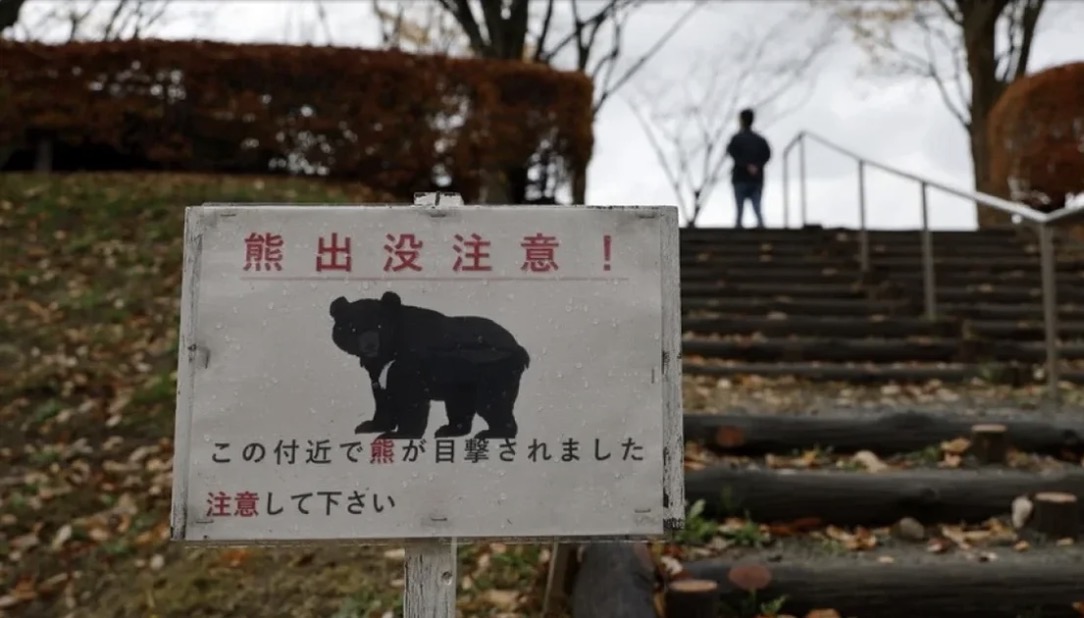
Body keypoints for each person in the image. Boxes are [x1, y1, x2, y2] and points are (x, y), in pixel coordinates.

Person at [725, 108, 772, 229]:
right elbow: (767, 155)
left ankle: (739, 227)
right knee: (757, 206)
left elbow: (731, 152)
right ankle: (760, 225)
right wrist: (756, 166)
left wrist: (745, 165)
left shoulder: (736, 139)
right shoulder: (760, 140)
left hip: (740, 177)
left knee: (740, 209)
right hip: (756, 178)